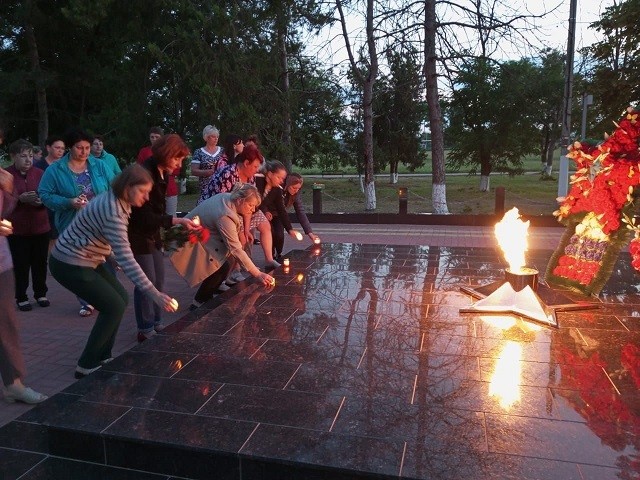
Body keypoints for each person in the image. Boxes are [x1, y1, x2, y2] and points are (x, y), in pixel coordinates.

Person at [49, 165, 179, 378]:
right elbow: (127, 257)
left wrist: (111, 256)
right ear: (128, 187)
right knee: (113, 305)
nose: (147, 198)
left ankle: (104, 356)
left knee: (119, 298)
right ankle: (87, 364)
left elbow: (100, 234)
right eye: (143, 192)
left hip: (88, 259)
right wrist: (155, 294)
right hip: (70, 263)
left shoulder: (118, 201)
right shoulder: (114, 210)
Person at [39, 128, 116, 317]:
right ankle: (86, 299)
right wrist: (68, 202)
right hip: (74, 224)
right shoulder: (56, 169)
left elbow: (114, 186)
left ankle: (109, 296)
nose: (84, 152)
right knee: (81, 264)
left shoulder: (98, 166)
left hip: (101, 223)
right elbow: (45, 194)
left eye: (87, 147)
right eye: (79, 148)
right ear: (70, 148)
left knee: (105, 262)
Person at [129, 134, 197, 342]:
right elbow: (143, 213)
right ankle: (145, 327)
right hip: (138, 232)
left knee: (159, 278)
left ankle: (157, 321)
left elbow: (157, 208)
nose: (179, 164)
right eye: (177, 159)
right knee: (146, 280)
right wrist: (175, 222)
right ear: (166, 154)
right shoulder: (145, 173)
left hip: (153, 231)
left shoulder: (163, 173)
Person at [0, 129, 47, 404]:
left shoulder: (3, 177)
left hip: (2, 260)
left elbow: (5, 214)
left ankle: (13, 382)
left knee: (6, 321)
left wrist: (8, 194)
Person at [171, 184, 275, 309]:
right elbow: (235, 249)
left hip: (200, 236)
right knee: (220, 267)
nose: (253, 210)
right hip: (188, 238)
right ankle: (198, 303)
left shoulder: (228, 198)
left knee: (225, 263)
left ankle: (206, 298)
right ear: (240, 200)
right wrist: (258, 274)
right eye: (250, 205)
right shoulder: (225, 215)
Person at [5, 139, 51, 311]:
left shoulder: (40, 173)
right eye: (23, 156)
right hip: (18, 229)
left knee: (40, 262)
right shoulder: (6, 175)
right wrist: (20, 200)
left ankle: (40, 293)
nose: (27, 160)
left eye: (30, 156)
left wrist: (40, 201)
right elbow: (3, 203)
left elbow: (48, 196)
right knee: (21, 264)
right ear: (13, 157)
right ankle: (21, 296)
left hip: (40, 226)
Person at [254, 160, 302, 268]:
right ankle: (239, 268)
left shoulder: (277, 189)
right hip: (246, 210)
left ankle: (270, 259)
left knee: (270, 230)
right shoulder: (256, 181)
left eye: (283, 179)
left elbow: (281, 209)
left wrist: (290, 229)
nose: (281, 181)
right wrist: (265, 211)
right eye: (279, 177)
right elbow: (255, 199)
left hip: (260, 213)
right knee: (244, 239)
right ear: (270, 174)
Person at [266, 172, 320, 260]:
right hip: (268, 212)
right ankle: (270, 257)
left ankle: (279, 254)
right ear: (287, 184)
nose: (296, 190)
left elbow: (300, 211)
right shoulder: (277, 188)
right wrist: (266, 211)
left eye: (298, 188)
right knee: (270, 233)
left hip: (280, 214)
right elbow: (265, 200)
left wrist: (310, 233)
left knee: (279, 235)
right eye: (294, 188)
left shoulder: (295, 194)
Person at [137, 127, 180, 216]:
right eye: (152, 137)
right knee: (153, 216)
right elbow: (139, 169)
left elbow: (176, 170)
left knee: (171, 216)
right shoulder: (144, 151)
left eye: (157, 137)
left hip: (169, 188)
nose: (154, 139)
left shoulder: (169, 151)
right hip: (151, 189)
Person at [34, 135, 65, 247]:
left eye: (62, 148)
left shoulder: (67, 166)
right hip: (45, 210)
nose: (60, 150)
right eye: (57, 147)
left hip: (63, 209)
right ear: (48, 148)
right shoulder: (39, 167)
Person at [191, 125, 225, 205]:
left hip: (220, 188)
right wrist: (207, 172)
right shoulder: (199, 152)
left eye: (217, 136)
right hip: (205, 188)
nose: (216, 138)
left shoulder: (223, 151)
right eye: (213, 136)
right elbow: (193, 171)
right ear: (206, 137)